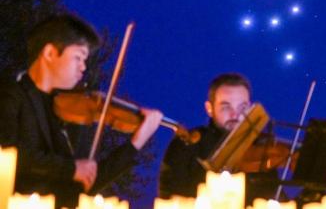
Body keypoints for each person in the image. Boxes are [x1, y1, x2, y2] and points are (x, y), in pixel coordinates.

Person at [0, 14, 164, 208]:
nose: (83, 67)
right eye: (78, 57)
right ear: (50, 53)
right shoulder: (10, 95)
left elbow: (87, 183)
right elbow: (8, 155)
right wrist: (71, 169)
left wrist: (136, 142)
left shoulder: (71, 111)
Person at [158, 73, 278, 202]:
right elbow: (169, 197)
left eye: (242, 107)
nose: (235, 115)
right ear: (209, 108)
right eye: (226, 107)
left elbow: (273, 197)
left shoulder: (260, 149)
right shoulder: (186, 143)